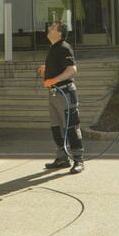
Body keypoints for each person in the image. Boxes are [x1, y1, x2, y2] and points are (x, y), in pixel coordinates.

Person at [37, 21, 84, 174]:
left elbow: (72, 69)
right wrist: (47, 70)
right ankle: (62, 158)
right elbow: (61, 68)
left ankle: (78, 160)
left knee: (71, 126)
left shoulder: (64, 47)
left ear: (59, 32)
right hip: (54, 93)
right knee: (56, 127)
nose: (49, 29)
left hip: (65, 92)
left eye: (52, 27)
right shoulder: (53, 48)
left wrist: (53, 80)